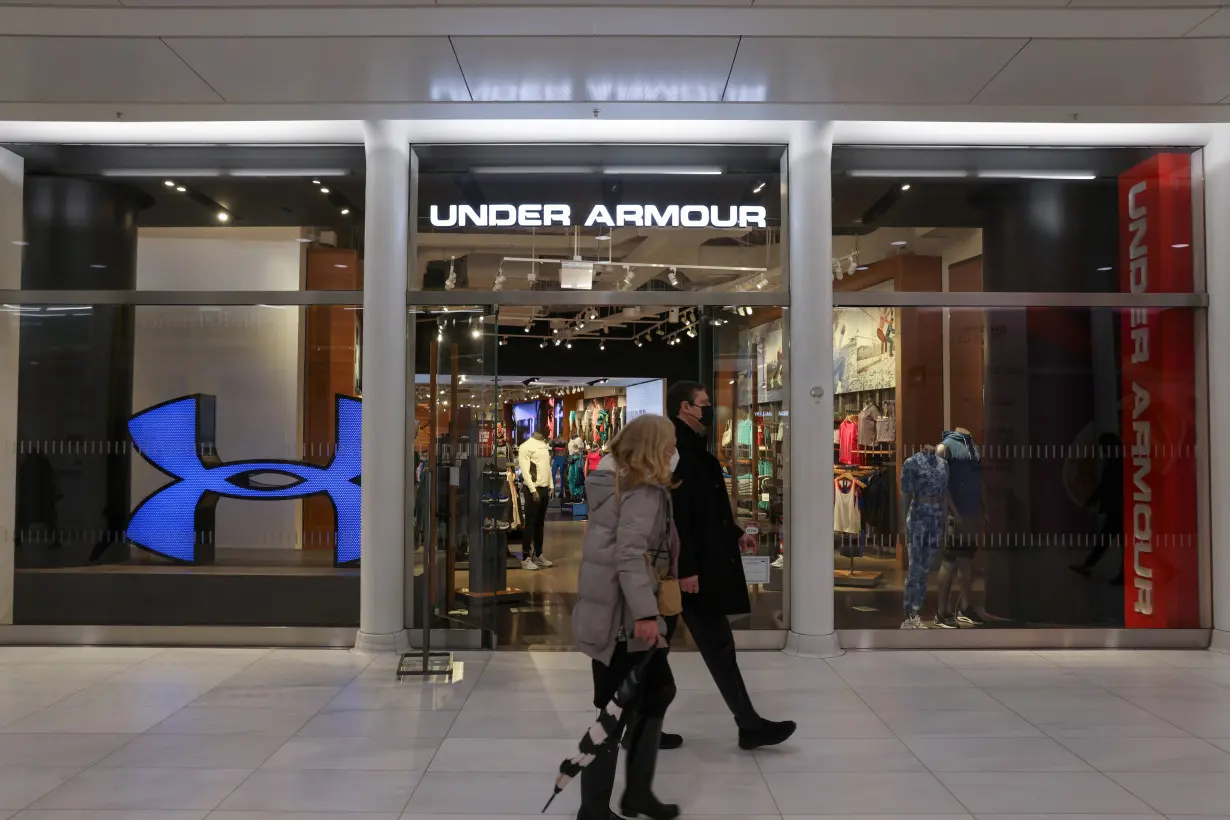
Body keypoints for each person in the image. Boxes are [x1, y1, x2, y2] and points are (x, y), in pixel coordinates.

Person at [666, 380, 797, 750]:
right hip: (691, 570)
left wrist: (735, 531)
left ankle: (748, 723)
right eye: (703, 404)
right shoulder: (677, 451)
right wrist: (687, 567)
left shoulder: (690, 448)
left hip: (696, 564)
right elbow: (679, 516)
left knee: (682, 647)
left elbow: (704, 511)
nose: (708, 409)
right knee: (701, 646)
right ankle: (748, 724)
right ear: (685, 408)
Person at [573, 415, 681, 820]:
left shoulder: (614, 483)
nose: (673, 449)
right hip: (624, 620)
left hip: (613, 615)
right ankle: (595, 806)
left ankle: (635, 794)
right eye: (669, 442)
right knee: (616, 711)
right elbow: (630, 555)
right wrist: (647, 614)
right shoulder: (643, 492)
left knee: (651, 695)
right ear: (654, 445)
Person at [517, 429, 554, 570]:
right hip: (534, 490)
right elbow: (525, 471)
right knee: (530, 524)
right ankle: (526, 557)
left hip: (544, 489)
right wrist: (532, 490)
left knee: (540, 524)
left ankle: (538, 554)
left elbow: (548, 468)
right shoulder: (526, 447)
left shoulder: (544, 445)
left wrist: (551, 485)